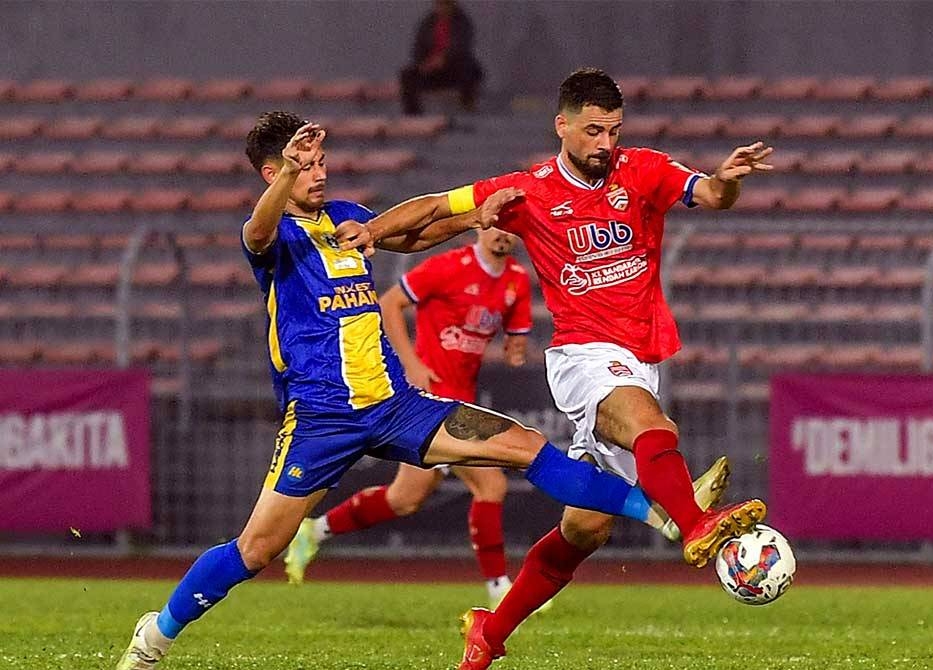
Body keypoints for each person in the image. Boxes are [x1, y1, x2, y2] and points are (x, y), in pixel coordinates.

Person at [113, 110, 717, 669]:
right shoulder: (272, 238)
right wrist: (287, 178)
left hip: (396, 406)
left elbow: (411, 239)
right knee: (255, 550)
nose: (319, 173)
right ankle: (156, 634)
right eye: (304, 165)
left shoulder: (345, 217)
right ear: (275, 172)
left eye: (321, 162)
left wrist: (472, 219)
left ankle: (668, 516)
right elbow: (256, 228)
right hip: (321, 419)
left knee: (525, 446)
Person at [336, 68, 773, 670]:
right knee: (654, 428)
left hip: (638, 356)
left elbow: (712, 195)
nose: (604, 144)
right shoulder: (527, 189)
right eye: (593, 131)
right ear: (561, 125)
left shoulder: (643, 170)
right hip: (584, 356)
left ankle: (491, 629)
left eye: (613, 131)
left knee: (584, 531)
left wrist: (727, 181)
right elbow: (435, 209)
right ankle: (695, 522)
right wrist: (373, 232)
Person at [282, 227, 534, 610]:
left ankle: (314, 531)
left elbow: (516, 336)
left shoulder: (516, 279)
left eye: (509, 228)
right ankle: (501, 589)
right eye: (494, 225)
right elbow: (389, 303)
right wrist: (411, 363)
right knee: (492, 485)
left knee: (405, 499)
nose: (502, 234)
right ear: (479, 227)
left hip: (462, 395)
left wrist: (516, 349)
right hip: (431, 399)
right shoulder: (448, 267)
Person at [400, 0, 483, 115]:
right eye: (440, 4)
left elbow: (462, 46)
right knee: (407, 75)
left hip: (454, 69)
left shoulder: (462, 22)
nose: (443, 8)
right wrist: (423, 63)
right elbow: (418, 47)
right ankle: (412, 114)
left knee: (467, 68)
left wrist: (444, 59)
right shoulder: (428, 22)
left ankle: (467, 104)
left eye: (446, 4)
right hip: (432, 71)